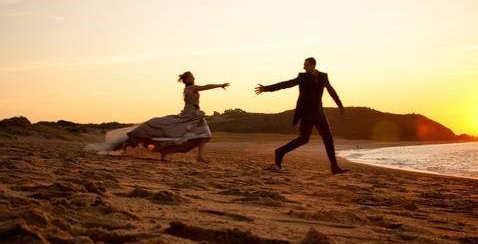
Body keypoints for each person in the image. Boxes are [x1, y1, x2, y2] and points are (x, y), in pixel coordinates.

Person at [97, 72, 228, 161]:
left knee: (199, 135)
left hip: (193, 114)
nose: (194, 78)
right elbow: (206, 86)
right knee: (194, 135)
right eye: (192, 77)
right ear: (187, 80)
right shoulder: (192, 88)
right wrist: (220, 85)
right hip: (190, 115)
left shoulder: (188, 89)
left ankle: (193, 155)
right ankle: (189, 155)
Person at [254, 57, 347, 174]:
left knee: (328, 139)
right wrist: (266, 88)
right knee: (303, 139)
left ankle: (334, 167)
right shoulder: (302, 77)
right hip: (306, 114)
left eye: (305, 64)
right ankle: (280, 152)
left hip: (319, 113)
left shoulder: (323, 76)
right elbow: (286, 84)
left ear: (312, 65)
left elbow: (331, 91)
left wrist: (340, 105)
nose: (303, 67)